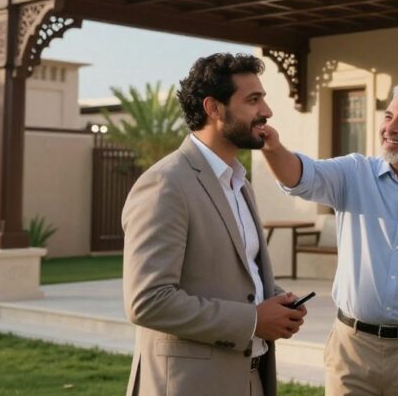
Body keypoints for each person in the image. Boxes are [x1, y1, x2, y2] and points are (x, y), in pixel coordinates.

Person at [259, 81, 398, 396]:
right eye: (389, 116)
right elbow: (300, 177)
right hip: (352, 348)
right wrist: (272, 147)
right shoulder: (353, 173)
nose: (390, 128)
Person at [121, 53, 307, 396]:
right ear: (214, 108)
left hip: (251, 378)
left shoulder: (239, 182)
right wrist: (253, 320)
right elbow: (147, 300)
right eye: (253, 100)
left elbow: (234, 271)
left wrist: (277, 302)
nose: (266, 111)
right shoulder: (166, 184)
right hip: (189, 385)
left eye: (263, 99)